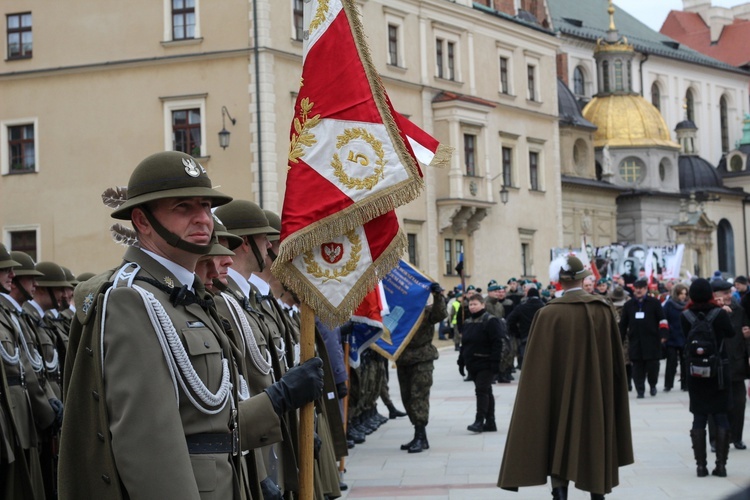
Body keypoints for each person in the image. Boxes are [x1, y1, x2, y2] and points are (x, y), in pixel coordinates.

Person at [59, 151, 325, 499]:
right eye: (183, 207)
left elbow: (213, 419)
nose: (203, 219)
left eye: (205, 206)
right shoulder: (133, 301)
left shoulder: (189, 296)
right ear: (142, 220)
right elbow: (149, 446)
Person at [498, 255, 633, 500]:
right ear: (584, 279)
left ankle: (560, 492)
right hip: (596, 391)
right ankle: (597, 492)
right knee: (594, 434)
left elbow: (535, 369)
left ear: (558, 282)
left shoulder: (547, 314)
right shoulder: (602, 310)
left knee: (556, 433)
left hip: (556, 392)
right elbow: (615, 360)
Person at [682, 278, 734, 478]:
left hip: (696, 372)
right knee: (721, 415)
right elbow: (730, 334)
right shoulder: (719, 314)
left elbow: (685, 339)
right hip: (719, 371)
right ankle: (721, 466)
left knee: (699, 417)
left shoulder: (685, 315)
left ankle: (700, 466)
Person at [396, 282, 446, 453]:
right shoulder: (401, 311)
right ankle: (420, 436)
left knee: (419, 397)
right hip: (403, 359)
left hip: (422, 360)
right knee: (407, 398)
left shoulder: (426, 311)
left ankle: (420, 434)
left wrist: (438, 295)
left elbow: (440, 315)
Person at [711, 278, 750, 451]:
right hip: (717, 365)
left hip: (737, 363)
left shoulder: (739, 310)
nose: (729, 296)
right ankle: (715, 439)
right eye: (725, 293)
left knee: (739, 404)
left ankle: (737, 437)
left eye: (729, 292)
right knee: (717, 404)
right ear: (715, 295)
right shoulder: (711, 311)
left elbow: (745, 330)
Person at [457, 294, 504, 433]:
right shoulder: (468, 322)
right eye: (470, 305)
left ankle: (479, 420)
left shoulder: (491, 321)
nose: (472, 307)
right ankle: (490, 422)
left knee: (481, 390)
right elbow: (464, 343)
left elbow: (497, 342)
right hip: (473, 363)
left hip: (486, 362)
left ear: (483, 305)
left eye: (475, 304)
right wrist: (461, 361)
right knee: (487, 391)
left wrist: (496, 362)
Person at [619, 278, 669, 398]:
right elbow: (623, 324)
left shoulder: (654, 303)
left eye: (640, 288)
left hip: (652, 341)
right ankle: (640, 390)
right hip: (635, 341)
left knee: (653, 367)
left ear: (646, 289)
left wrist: (664, 335)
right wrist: (619, 339)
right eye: (636, 289)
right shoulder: (629, 305)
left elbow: (662, 320)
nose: (638, 291)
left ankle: (652, 385)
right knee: (637, 367)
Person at [505, 286, 544, 370]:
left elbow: (510, 320)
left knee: (527, 363)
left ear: (528, 296)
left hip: (525, 337)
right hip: (542, 338)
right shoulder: (544, 307)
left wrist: (516, 333)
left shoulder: (521, 307)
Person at [663, 283, 689, 392]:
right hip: (672, 337)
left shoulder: (688, 305)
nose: (683, 296)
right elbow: (664, 319)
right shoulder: (669, 304)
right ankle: (668, 384)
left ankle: (685, 384)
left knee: (685, 362)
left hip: (684, 337)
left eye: (685, 293)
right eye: (681, 293)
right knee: (671, 362)